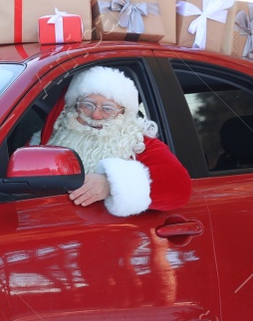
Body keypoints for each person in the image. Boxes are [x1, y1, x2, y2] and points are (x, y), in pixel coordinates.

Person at [32, 65, 192, 216]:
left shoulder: (139, 143)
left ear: (123, 113)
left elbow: (179, 188)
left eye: (108, 109)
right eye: (88, 105)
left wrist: (110, 184)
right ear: (75, 106)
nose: (96, 115)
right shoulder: (53, 136)